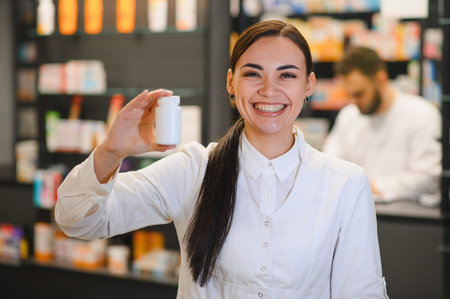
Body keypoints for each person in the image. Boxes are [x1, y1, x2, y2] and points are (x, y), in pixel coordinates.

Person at [55, 20, 388, 298]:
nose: (269, 90)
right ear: (231, 82)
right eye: (253, 74)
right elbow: (79, 221)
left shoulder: (345, 184)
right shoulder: (194, 170)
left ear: (309, 85)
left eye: (287, 75)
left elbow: (362, 293)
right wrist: (111, 152)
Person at [323, 46, 441, 204]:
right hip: (352, 212)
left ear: (381, 79)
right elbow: (330, 165)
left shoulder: (421, 114)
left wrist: (375, 186)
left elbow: (428, 178)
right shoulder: (349, 116)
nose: (354, 101)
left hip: (406, 219)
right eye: (350, 95)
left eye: (359, 94)